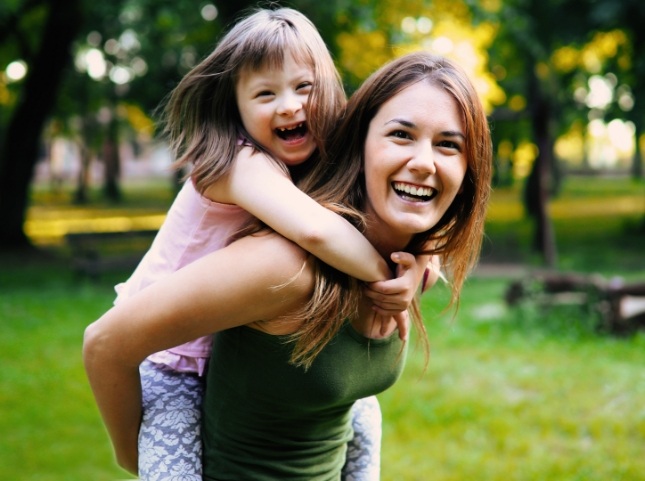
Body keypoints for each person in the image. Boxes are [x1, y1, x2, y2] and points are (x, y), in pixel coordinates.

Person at [84, 51, 492, 480]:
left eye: (448, 144)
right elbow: (105, 344)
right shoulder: (286, 267)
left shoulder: (409, 266)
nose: (425, 162)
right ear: (359, 142)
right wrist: (131, 454)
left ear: (469, 169)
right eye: (401, 135)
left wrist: (417, 267)